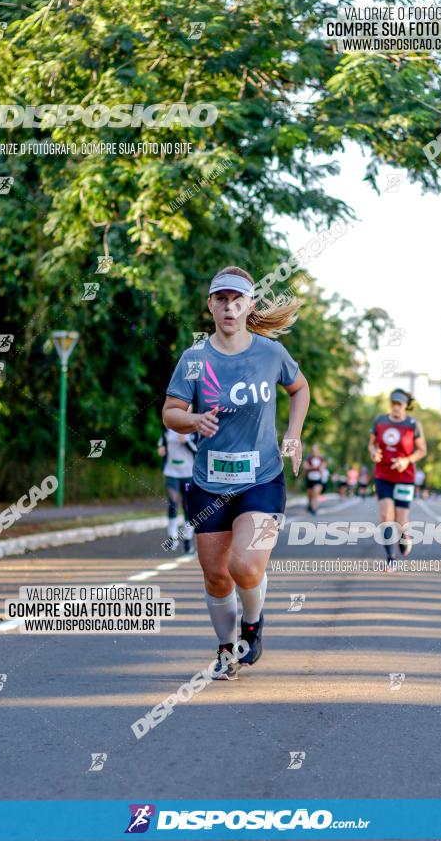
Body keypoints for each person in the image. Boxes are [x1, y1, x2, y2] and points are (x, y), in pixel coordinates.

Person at [162, 266, 310, 679]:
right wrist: (193, 421)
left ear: (250, 306)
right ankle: (226, 652)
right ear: (210, 305)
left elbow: (300, 389)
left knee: (245, 565)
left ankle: (252, 625)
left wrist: (293, 435)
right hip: (209, 483)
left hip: (262, 478)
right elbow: (171, 413)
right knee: (215, 576)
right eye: (221, 299)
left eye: (237, 299)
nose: (229, 307)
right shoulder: (193, 361)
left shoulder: (269, 353)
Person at [368, 388, 427, 568]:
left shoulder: (412, 424)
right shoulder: (380, 421)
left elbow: (422, 450)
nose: (395, 407)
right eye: (393, 403)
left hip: (405, 476)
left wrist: (406, 460)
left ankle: (404, 535)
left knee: (401, 520)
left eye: (399, 404)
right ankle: (391, 558)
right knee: (386, 515)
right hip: (383, 474)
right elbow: (371, 444)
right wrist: (373, 452)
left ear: (406, 406)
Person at [158, 427, 197, 553]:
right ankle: (172, 538)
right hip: (171, 473)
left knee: (187, 506)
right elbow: (162, 445)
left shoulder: (194, 430)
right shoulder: (167, 429)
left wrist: (186, 442)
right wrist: (161, 450)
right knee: (172, 503)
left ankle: (187, 540)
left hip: (188, 475)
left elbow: (199, 450)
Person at [302, 444, 325, 514]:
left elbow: (323, 468)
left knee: (315, 493)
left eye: (316, 450)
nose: (314, 452)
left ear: (318, 451)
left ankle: (314, 509)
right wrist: (315, 468)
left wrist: (311, 468)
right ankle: (310, 505)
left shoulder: (321, 459)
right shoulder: (308, 459)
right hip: (309, 480)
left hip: (318, 480)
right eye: (313, 450)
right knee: (310, 496)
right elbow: (305, 467)